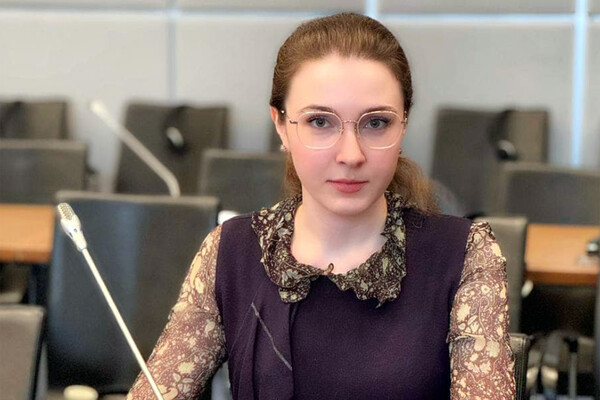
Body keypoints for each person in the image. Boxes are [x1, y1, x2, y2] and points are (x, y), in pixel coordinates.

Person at [127, 12, 515, 400]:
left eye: (376, 123)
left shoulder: (465, 254)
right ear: (281, 125)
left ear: (404, 125)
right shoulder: (229, 252)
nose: (351, 154)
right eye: (319, 122)